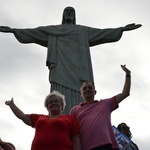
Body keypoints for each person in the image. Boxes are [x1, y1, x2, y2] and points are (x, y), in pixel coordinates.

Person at [0, 6, 141, 113]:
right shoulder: (54, 30)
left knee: (82, 94)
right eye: (66, 11)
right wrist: (14, 30)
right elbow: (35, 32)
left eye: (71, 11)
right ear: (63, 15)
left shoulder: (82, 31)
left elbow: (102, 33)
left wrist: (121, 29)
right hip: (60, 69)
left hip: (80, 71)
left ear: (74, 16)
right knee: (58, 96)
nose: (68, 13)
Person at [70, 64, 131, 150]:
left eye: (90, 88)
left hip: (106, 146)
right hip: (86, 147)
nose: (87, 89)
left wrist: (128, 74)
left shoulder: (105, 104)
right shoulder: (74, 110)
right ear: (80, 94)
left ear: (95, 92)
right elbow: (72, 132)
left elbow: (125, 93)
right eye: (84, 88)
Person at [5, 91, 81, 150]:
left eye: (56, 101)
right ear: (47, 107)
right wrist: (12, 105)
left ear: (62, 105)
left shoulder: (69, 118)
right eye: (50, 102)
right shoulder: (39, 117)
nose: (53, 103)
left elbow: (76, 140)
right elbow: (22, 116)